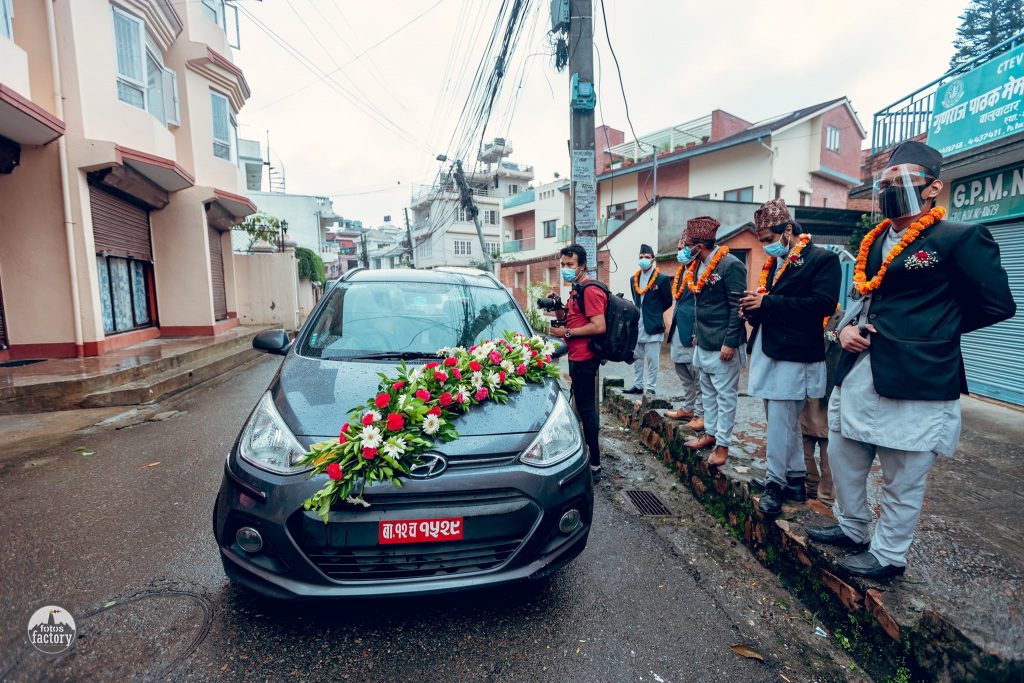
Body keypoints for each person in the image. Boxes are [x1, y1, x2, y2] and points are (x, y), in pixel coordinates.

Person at [806, 141, 1015, 579]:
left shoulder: (958, 238)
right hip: (858, 370)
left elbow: (997, 305)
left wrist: (926, 333)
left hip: (918, 375)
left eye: (898, 181)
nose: (887, 191)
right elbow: (862, 298)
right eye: (883, 183)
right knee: (845, 453)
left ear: (932, 188)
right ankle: (852, 527)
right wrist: (843, 330)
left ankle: (888, 555)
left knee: (903, 474)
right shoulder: (874, 239)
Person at [740, 199, 840, 516]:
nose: (766, 247)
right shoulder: (777, 264)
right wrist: (754, 310)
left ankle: (775, 483)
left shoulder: (822, 260)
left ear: (787, 230)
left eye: (769, 240)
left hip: (796, 354)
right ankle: (795, 479)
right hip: (769, 349)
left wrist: (766, 304)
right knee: (782, 421)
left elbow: (821, 304)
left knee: (782, 422)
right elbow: (773, 305)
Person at [679, 216, 747, 467]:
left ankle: (723, 445)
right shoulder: (697, 265)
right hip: (704, 341)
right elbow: (699, 303)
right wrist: (697, 334)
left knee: (725, 397)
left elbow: (736, 307)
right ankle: (710, 434)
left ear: (699, 244)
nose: (685, 249)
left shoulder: (731, 265)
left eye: (687, 244)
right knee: (706, 391)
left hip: (723, 344)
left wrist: (730, 342)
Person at [548, 244, 608, 480]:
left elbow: (598, 325)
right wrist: (558, 308)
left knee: (587, 411)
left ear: (582, 265)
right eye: (563, 265)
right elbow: (571, 320)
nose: (566, 269)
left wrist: (567, 334)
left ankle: (595, 465)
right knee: (583, 410)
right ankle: (587, 459)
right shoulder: (576, 289)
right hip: (576, 357)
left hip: (586, 358)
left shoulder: (590, 290)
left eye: (570, 265)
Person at [624, 244, 674, 396]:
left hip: (653, 325)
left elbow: (668, 301)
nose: (643, 259)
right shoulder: (634, 279)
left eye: (646, 257)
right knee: (637, 358)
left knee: (653, 360)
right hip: (637, 325)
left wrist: (655, 313)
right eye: (641, 257)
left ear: (652, 259)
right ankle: (638, 385)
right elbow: (636, 300)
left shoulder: (662, 279)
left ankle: (651, 387)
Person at [665, 234, 703, 424]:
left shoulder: (700, 270)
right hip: (679, 328)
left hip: (693, 330)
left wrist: (698, 331)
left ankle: (700, 413)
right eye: (679, 248)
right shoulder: (681, 271)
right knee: (682, 369)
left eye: (684, 247)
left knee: (696, 373)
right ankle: (688, 408)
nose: (681, 251)